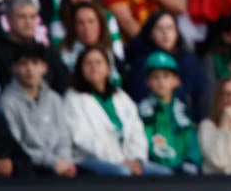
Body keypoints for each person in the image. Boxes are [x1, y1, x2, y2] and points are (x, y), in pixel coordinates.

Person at [64, 45, 167, 176]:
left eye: (98, 62)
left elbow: (137, 131)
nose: (94, 67)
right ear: (80, 69)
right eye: (88, 63)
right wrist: (119, 160)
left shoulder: (120, 96)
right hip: (89, 159)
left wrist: (137, 160)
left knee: (164, 173)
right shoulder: (73, 97)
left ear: (108, 68)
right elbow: (83, 138)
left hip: (128, 160)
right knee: (122, 172)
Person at [0, 44, 78, 177]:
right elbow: (16, 147)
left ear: (44, 68)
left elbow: (64, 139)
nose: (30, 69)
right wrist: (53, 163)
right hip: (32, 168)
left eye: (35, 63)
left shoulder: (54, 98)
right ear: (14, 68)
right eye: (23, 64)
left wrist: (65, 162)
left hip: (62, 164)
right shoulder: (7, 102)